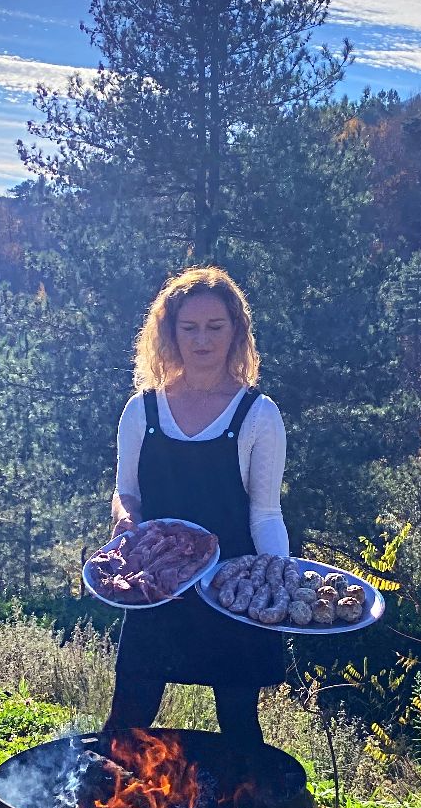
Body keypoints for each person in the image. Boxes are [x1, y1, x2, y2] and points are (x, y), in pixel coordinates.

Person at [103, 266, 290, 748]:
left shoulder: (258, 415)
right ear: (169, 332)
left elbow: (265, 514)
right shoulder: (141, 410)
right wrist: (126, 520)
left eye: (215, 327)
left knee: (239, 726)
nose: (202, 340)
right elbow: (125, 492)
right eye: (189, 328)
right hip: (157, 589)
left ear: (236, 332)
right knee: (128, 717)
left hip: (230, 593)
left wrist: (278, 587)